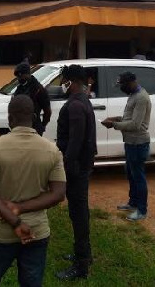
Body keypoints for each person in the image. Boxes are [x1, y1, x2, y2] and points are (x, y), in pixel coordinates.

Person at [0, 95, 66, 287]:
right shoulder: (52, 150)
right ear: (34, 117)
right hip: (37, 231)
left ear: (10, 119)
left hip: (0, 232)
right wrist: (20, 209)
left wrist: (15, 219)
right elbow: (58, 194)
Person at [55, 64, 97, 280]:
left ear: (71, 81)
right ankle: (85, 254)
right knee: (79, 212)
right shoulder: (81, 101)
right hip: (81, 166)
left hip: (76, 168)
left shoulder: (76, 106)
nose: (62, 84)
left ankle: (81, 266)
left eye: (64, 80)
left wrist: (66, 163)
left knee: (78, 213)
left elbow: (76, 140)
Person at [102, 71, 152, 221]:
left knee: (138, 177)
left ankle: (142, 211)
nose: (121, 88)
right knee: (131, 173)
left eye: (122, 85)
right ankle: (133, 203)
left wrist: (114, 125)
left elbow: (136, 124)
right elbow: (129, 118)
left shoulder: (142, 97)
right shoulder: (133, 95)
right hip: (130, 142)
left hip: (138, 142)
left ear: (130, 82)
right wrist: (115, 118)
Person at [13, 61, 52, 136]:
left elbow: (47, 112)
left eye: (20, 75)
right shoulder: (20, 88)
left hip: (34, 128)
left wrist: (42, 126)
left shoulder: (39, 89)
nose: (19, 78)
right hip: (20, 127)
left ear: (27, 74)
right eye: (17, 76)